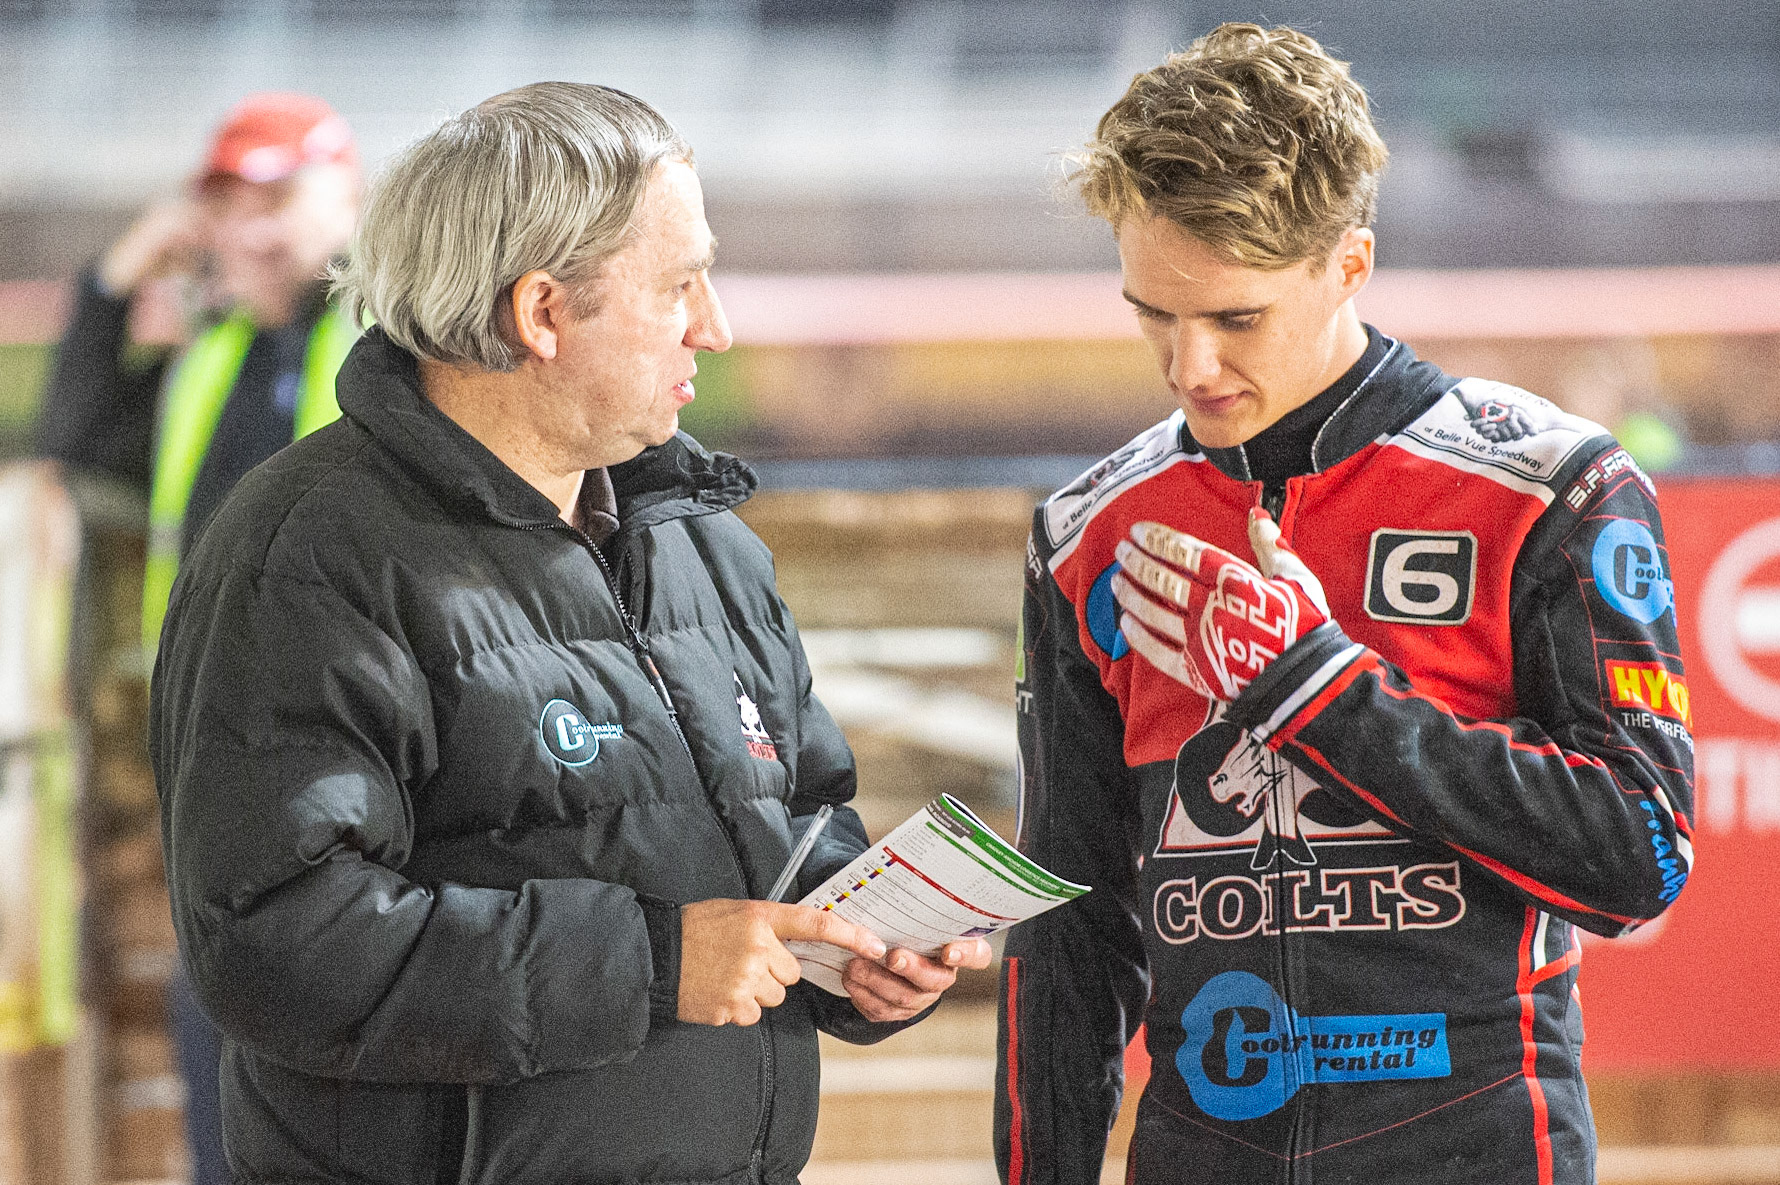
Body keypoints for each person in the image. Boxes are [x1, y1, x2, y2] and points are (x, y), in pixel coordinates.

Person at [149, 82, 991, 1185]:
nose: (715, 326)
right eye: (679, 285)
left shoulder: (709, 550)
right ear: (541, 312)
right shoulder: (307, 557)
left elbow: (797, 822)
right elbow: (276, 943)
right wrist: (653, 963)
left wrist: (859, 947)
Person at [996, 24, 1694, 1185]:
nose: (1188, 369)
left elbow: (1639, 857)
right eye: (1152, 315)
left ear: (1349, 263)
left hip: (1476, 1151)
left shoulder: (1552, 487)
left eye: (1234, 318)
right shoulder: (1087, 530)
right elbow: (1069, 925)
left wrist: (1318, 689)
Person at [35, 91, 361, 1185]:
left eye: (281, 201)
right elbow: (74, 435)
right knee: (217, 1014)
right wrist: (120, 270)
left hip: (359, 740)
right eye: (229, 205)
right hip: (216, 747)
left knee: (351, 1017)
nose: (254, 230)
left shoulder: (391, 335)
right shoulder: (211, 357)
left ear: (347, 200)